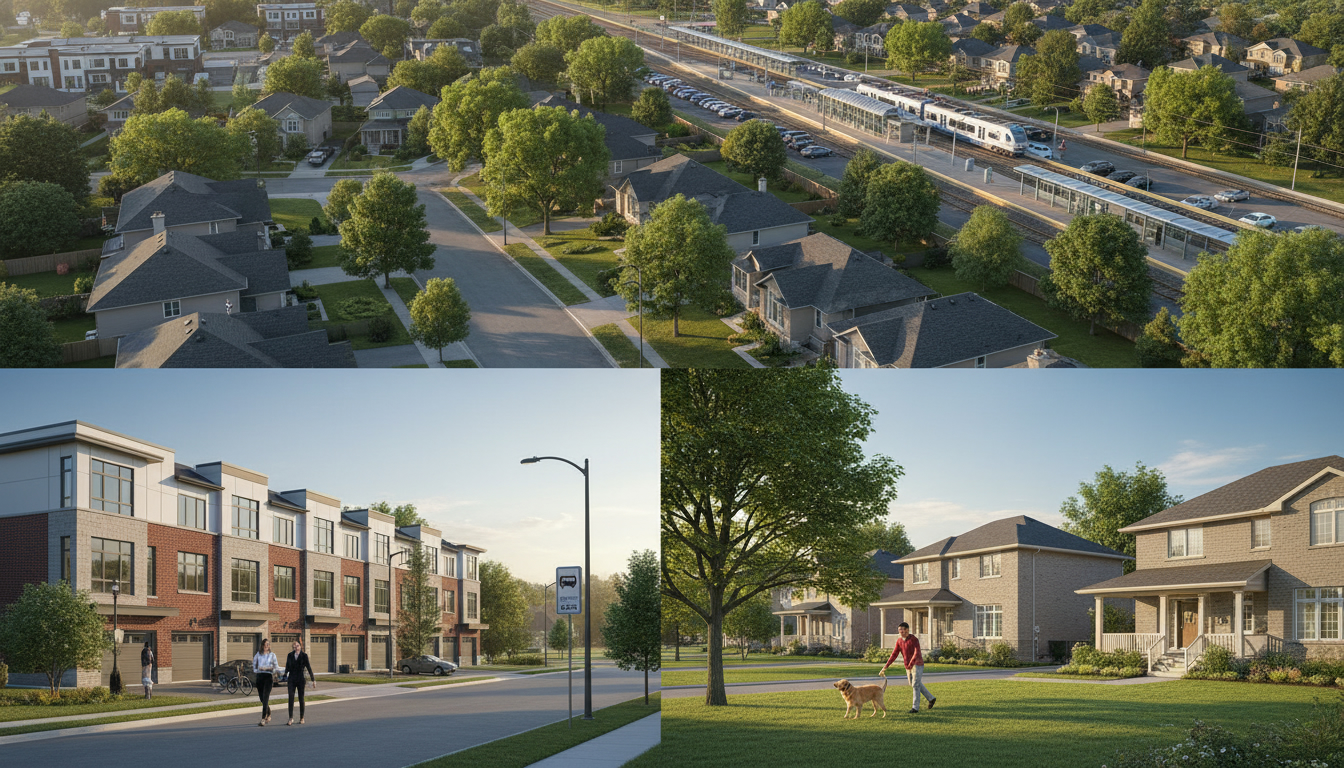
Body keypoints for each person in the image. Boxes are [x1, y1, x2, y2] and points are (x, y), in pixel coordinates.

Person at [879, 621, 936, 714]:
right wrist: (886, 666)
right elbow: (894, 654)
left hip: (917, 664)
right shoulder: (899, 641)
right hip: (908, 666)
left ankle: (915, 708)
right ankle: (931, 698)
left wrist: (911, 663)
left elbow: (917, 652)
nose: (900, 632)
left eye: (902, 630)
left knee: (915, 684)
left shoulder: (914, 639)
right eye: (899, 630)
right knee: (914, 684)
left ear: (907, 630)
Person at [284, 639, 317, 725]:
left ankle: (302, 717)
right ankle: (290, 718)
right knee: (291, 697)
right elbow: (287, 667)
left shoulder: (304, 656)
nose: (296, 647)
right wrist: (284, 675)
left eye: (297, 645)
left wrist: (313, 679)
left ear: (300, 646)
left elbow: (309, 667)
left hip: (300, 679)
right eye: (294, 646)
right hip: (291, 679)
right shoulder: (290, 655)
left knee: (301, 698)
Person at [253, 638, 279, 726]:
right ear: (262, 645)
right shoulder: (258, 654)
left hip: (268, 677)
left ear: (269, 646)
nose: (266, 646)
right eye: (264, 644)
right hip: (259, 677)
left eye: (268, 644)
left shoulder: (272, 655)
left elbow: (276, 667)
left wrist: (268, 669)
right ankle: (269, 712)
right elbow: (254, 665)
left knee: (265, 697)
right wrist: (257, 669)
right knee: (262, 699)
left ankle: (263, 719)